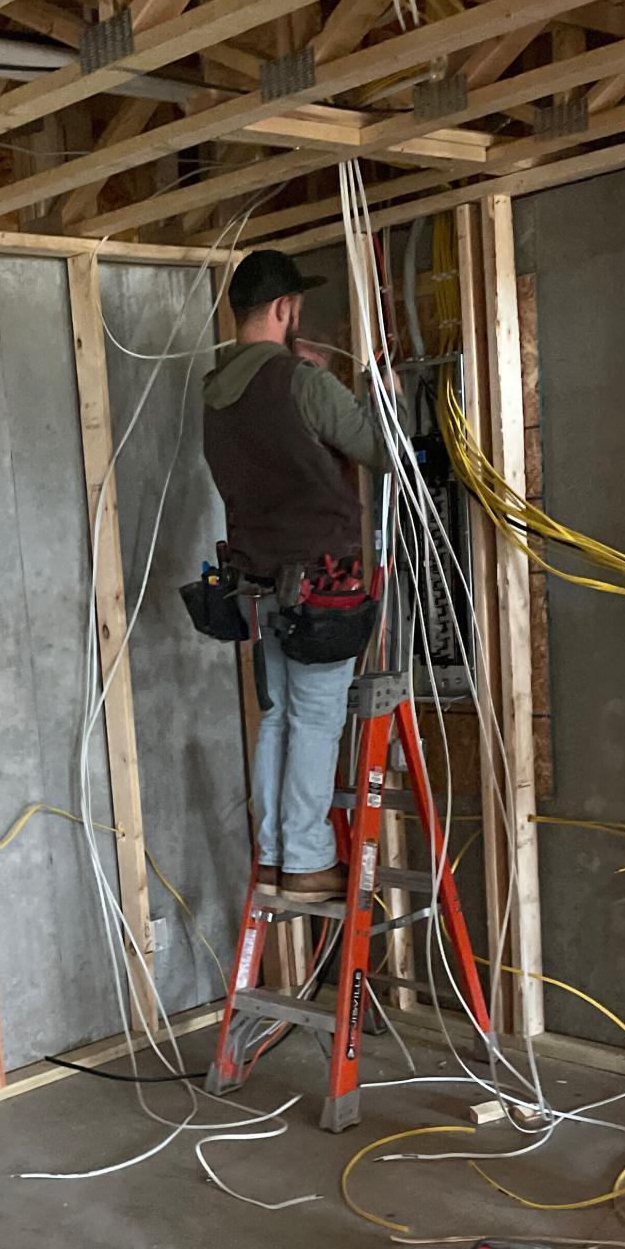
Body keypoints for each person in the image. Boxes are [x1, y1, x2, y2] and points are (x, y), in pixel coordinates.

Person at [202, 247, 387, 902]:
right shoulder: (301, 384)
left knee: (278, 717)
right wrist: (373, 397)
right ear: (285, 309)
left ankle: (278, 856)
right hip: (322, 585)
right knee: (314, 719)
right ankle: (307, 858)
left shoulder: (215, 394)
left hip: (259, 586)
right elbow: (379, 448)